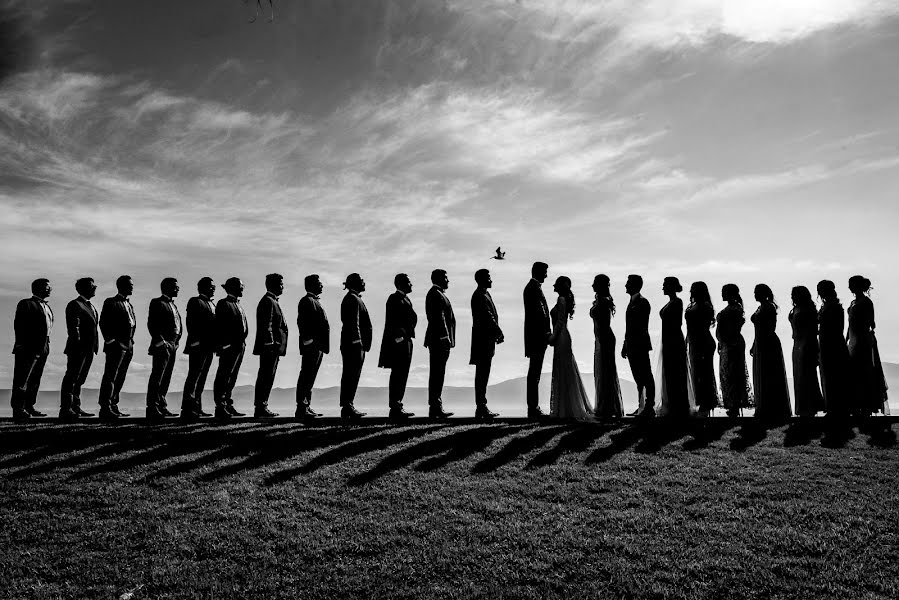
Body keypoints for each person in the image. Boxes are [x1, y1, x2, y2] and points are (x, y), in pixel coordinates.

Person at [548, 276, 593, 420]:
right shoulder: (563, 299)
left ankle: (565, 409)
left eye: (556, 283)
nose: (553, 285)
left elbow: (560, 321)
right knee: (564, 369)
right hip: (563, 336)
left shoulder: (561, 299)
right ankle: (566, 407)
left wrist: (552, 337)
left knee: (563, 369)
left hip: (561, 336)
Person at [11, 278, 53, 421]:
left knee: (35, 379)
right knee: (22, 379)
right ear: (38, 288)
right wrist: (21, 345)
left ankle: (29, 406)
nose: (50, 289)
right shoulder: (26, 304)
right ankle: (18, 408)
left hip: (44, 347)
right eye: (47, 287)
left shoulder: (47, 307)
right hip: (27, 348)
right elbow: (19, 325)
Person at [846, 275, 889, 416]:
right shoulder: (853, 302)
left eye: (851, 285)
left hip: (863, 341)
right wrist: (847, 339)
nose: (849, 287)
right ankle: (857, 405)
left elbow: (872, 323)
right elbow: (849, 325)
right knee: (854, 373)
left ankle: (866, 406)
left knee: (864, 372)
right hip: (853, 341)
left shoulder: (866, 302)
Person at [750, 284, 792, 421]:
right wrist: (754, 344)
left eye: (757, 292)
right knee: (762, 374)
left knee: (770, 373)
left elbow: (770, 327)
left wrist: (760, 341)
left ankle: (773, 408)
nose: (755, 294)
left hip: (768, 343)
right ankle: (763, 406)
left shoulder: (769, 307)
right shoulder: (760, 307)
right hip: (760, 342)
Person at [378, 273, 417, 421]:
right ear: (400, 284)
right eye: (408, 282)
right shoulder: (393, 298)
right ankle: (395, 407)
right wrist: (399, 338)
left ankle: (398, 404)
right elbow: (392, 320)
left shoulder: (406, 299)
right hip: (399, 342)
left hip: (406, 340)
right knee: (397, 374)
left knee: (403, 374)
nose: (411, 284)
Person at [98, 275, 136, 421]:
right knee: (110, 376)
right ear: (122, 286)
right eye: (130, 285)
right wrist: (112, 341)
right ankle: (105, 407)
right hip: (116, 346)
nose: (132, 287)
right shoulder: (111, 302)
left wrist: (130, 342)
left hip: (128, 345)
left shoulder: (129, 304)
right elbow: (104, 323)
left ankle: (114, 405)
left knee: (120, 377)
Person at [60, 277, 98, 421]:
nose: (95, 287)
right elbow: (73, 328)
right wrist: (78, 346)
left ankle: (75, 406)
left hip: (89, 349)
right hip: (78, 349)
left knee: (80, 379)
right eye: (92, 285)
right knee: (72, 378)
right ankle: (66, 409)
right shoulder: (75, 304)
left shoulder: (90, 305)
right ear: (83, 288)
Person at [146, 277, 182, 422]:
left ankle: (162, 405)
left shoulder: (174, 305)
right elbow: (152, 323)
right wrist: (161, 341)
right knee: (157, 376)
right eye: (175, 287)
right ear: (166, 288)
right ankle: (152, 407)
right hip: (163, 346)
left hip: (173, 346)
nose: (178, 289)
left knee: (166, 377)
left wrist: (177, 342)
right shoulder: (157, 302)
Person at [180, 277, 217, 421]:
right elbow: (191, 322)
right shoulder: (195, 301)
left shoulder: (212, 304)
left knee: (202, 378)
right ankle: (188, 408)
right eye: (211, 286)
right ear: (202, 287)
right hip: (198, 346)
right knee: (194, 377)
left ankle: (197, 406)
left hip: (209, 347)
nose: (213, 289)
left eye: (214, 287)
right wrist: (195, 341)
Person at [213, 277, 249, 419]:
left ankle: (227, 403)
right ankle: (220, 406)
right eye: (240, 286)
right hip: (229, 347)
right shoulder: (223, 304)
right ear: (233, 288)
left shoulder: (238, 304)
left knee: (232, 377)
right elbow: (219, 326)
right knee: (224, 376)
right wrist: (225, 344)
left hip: (240, 346)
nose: (242, 289)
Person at [253, 273, 288, 418]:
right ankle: (261, 406)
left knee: (268, 376)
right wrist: (270, 343)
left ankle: (263, 405)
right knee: (265, 376)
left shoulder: (272, 301)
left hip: (273, 348)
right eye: (281, 283)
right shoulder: (268, 301)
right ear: (273, 284)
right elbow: (266, 325)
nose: (283, 286)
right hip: (270, 348)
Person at [470, 268, 503, 419]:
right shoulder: (479, 295)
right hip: (482, 340)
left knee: (483, 373)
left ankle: (482, 406)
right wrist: (498, 331)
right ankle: (481, 406)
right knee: (482, 374)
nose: (491, 280)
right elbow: (488, 317)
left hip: (486, 340)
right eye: (488, 278)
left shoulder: (484, 294)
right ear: (481, 279)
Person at [716, 284, 752, 418]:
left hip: (733, 344)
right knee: (727, 373)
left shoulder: (735, 309)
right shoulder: (731, 308)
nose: (722, 294)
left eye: (724, 292)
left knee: (733, 373)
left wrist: (725, 339)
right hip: (726, 344)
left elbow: (734, 328)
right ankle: (731, 403)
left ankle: (735, 404)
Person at [656, 277, 690, 419]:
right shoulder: (670, 302)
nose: (662, 288)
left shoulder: (677, 302)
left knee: (676, 373)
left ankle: (679, 406)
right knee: (669, 373)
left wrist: (671, 339)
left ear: (671, 287)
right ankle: (671, 404)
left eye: (664, 285)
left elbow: (677, 323)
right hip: (667, 340)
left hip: (674, 341)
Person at [622, 274, 655, 418]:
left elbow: (641, 326)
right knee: (637, 378)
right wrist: (625, 344)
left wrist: (634, 343)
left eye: (628, 283)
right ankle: (641, 405)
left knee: (646, 375)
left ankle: (649, 406)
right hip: (631, 345)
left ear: (635, 285)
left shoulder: (643, 302)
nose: (625, 285)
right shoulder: (631, 303)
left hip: (640, 345)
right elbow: (628, 327)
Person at [296, 274, 328, 421]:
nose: (322, 285)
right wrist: (308, 341)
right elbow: (302, 322)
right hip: (312, 346)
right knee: (306, 375)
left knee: (310, 376)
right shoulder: (306, 301)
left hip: (318, 346)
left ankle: (306, 405)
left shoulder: (314, 301)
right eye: (319, 283)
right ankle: (301, 407)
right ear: (312, 285)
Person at [590, 274, 622, 420]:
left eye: (595, 283)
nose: (592, 285)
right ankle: (605, 405)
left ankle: (608, 407)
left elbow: (604, 324)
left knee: (606, 372)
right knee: (601, 372)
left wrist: (601, 342)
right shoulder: (599, 300)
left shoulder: (604, 301)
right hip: (599, 339)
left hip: (605, 339)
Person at [789, 286, 824, 418]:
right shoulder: (796, 309)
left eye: (794, 295)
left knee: (806, 376)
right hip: (796, 344)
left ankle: (809, 407)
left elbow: (813, 331)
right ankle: (802, 407)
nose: (792, 297)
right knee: (798, 376)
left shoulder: (809, 310)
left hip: (806, 344)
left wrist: (814, 349)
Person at [424, 269, 455, 419]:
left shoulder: (438, 294)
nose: (448, 281)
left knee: (438, 373)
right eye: (446, 278)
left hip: (439, 340)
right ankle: (435, 407)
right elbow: (439, 317)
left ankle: (436, 405)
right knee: (437, 373)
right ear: (439, 279)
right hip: (438, 340)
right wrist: (445, 336)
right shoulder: (435, 294)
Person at [340, 273, 371, 420]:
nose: (364, 282)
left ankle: (349, 405)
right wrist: (357, 341)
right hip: (353, 345)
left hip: (356, 344)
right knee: (350, 375)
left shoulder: (355, 298)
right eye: (361, 280)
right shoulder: (351, 299)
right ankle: (347, 406)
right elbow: (353, 323)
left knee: (353, 375)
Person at [816, 280, 850, 418]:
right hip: (825, 344)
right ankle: (831, 407)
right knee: (827, 375)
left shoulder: (835, 307)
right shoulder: (828, 306)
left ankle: (837, 408)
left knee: (834, 376)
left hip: (833, 345)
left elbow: (837, 329)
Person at [685, 281, 719, 416]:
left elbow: (702, 327)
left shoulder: (705, 307)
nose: (691, 292)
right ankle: (700, 401)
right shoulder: (692, 306)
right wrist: (686, 341)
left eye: (694, 289)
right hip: (694, 343)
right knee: (696, 372)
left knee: (704, 373)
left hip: (703, 342)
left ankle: (706, 403)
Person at [523, 261, 550, 419]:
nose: (546, 275)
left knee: (535, 373)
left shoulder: (534, 288)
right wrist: (546, 332)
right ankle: (533, 408)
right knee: (534, 373)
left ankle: (534, 407)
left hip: (537, 336)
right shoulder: (532, 288)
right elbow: (539, 314)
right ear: (537, 271)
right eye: (545, 271)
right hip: (537, 337)